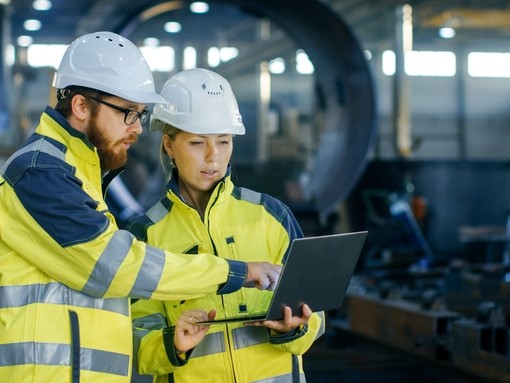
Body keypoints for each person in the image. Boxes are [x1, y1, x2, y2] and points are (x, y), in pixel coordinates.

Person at [0, 32, 281, 383]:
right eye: (129, 113)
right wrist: (233, 272)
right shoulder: (40, 172)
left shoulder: (79, 174)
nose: (136, 129)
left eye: (141, 116)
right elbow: (114, 266)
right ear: (81, 106)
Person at [130, 68, 325, 383]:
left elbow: (315, 312)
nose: (213, 157)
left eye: (223, 141)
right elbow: (137, 340)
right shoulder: (146, 236)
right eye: (197, 143)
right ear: (169, 145)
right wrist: (174, 344)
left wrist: (297, 326)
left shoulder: (272, 216)